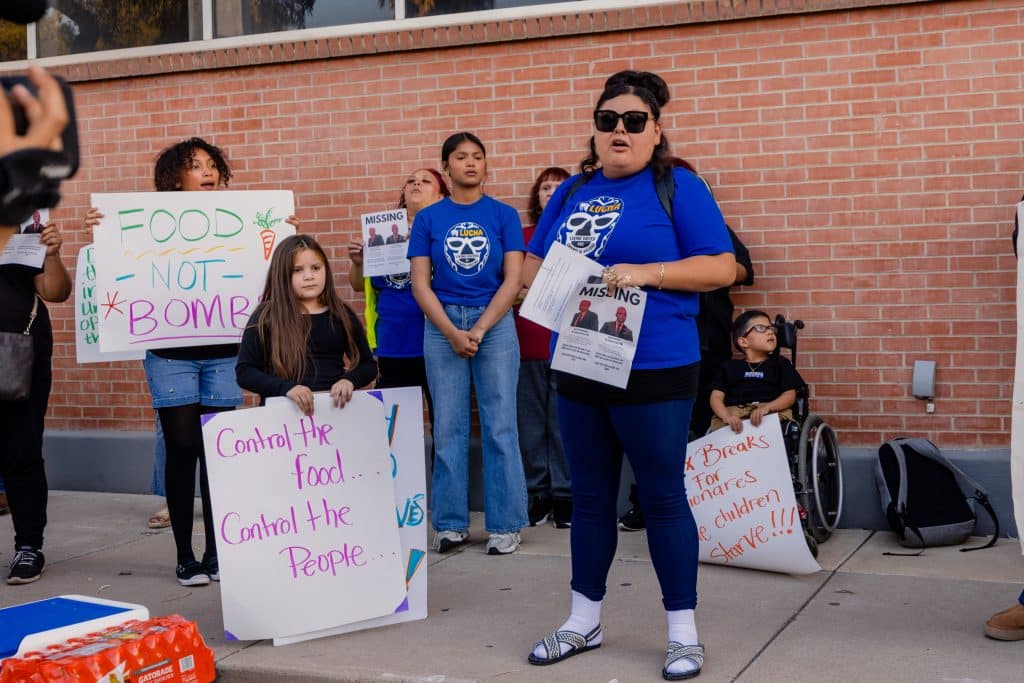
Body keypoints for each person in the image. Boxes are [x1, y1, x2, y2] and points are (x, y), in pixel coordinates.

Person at [523, 70, 735, 679]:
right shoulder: (572, 192)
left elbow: (722, 267)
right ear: (593, 131)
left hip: (656, 366)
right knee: (590, 498)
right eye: (607, 120)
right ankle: (582, 619)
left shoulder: (679, 186)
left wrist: (650, 273)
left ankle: (682, 631)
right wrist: (540, 286)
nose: (619, 130)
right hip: (581, 362)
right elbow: (536, 262)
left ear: (655, 130)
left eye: (634, 121)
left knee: (663, 498)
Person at [82, 137, 297, 587]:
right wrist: (104, 231)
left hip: (223, 355)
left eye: (212, 165)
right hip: (169, 356)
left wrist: (280, 232)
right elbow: (122, 269)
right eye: (195, 165)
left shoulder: (238, 221)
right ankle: (185, 555)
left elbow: (271, 271)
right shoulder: (143, 223)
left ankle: (219, 553)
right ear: (173, 178)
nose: (207, 172)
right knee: (181, 451)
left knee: (217, 455)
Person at [408, 132, 528, 556]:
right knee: (449, 426)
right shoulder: (428, 219)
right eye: (462, 157)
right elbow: (421, 286)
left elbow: (513, 280)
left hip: (494, 324)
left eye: (479, 156)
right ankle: (451, 524)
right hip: (443, 324)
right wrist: (452, 332)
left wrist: (478, 329)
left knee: (499, 425)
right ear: (447, 168)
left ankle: (506, 524)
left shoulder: (503, 215)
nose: (471, 163)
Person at [1, 215, 72, 584]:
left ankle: (29, 545)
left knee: (22, 448)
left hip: (19, 350)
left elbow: (56, 291)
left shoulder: (28, 223)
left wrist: (53, 255)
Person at [236, 235, 377, 413]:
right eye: (297, 270)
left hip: (334, 416)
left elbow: (368, 365)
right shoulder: (266, 316)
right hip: (281, 418)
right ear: (282, 274)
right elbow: (245, 372)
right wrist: (286, 388)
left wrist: (349, 380)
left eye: (316, 268)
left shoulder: (341, 314)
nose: (309, 276)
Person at [347, 168, 448, 410]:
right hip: (393, 341)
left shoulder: (447, 232)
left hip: (438, 339)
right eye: (411, 181)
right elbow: (359, 285)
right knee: (397, 421)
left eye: (425, 181)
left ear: (441, 196)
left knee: (444, 418)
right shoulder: (382, 231)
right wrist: (358, 263)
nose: (416, 184)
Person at [516, 165, 572, 528]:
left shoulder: (578, 233)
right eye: (545, 187)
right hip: (526, 340)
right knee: (531, 424)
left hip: (569, 341)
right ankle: (537, 494)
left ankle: (566, 496)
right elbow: (512, 286)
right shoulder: (524, 235)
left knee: (563, 423)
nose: (551, 192)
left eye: (559, 186)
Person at [708, 310, 803, 434]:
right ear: (743, 342)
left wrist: (767, 408)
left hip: (772, 414)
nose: (770, 332)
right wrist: (727, 417)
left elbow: (789, 396)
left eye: (771, 328)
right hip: (734, 416)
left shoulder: (780, 364)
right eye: (760, 328)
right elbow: (716, 397)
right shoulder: (728, 367)